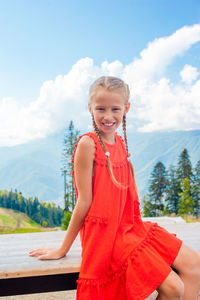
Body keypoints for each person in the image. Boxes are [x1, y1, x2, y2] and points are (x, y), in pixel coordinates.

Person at [29, 76, 200, 300]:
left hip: (129, 227)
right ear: (90, 108)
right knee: (173, 288)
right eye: (101, 108)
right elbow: (83, 201)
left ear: (126, 108)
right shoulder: (87, 145)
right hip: (106, 237)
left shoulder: (120, 142)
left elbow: (128, 191)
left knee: (195, 265)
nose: (108, 116)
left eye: (115, 109)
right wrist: (63, 249)